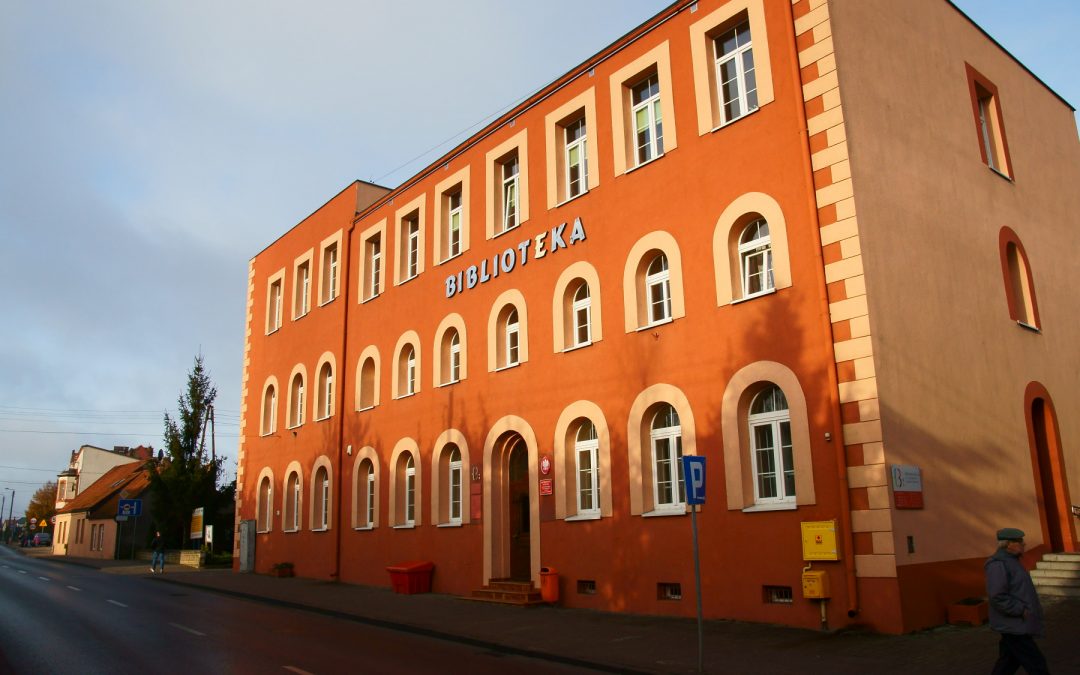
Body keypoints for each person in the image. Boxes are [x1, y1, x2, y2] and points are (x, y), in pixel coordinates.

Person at [985, 527, 1049, 675]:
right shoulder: (998, 564)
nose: (1024, 544)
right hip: (1014, 625)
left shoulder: (1012, 561)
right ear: (1008, 544)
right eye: (1019, 541)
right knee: (1037, 664)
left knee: (1007, 663)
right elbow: (997, 596)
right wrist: (1021, 610)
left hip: (1017, 624)